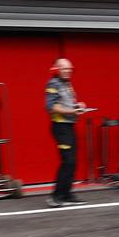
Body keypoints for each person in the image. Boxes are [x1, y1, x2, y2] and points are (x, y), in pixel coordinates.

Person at [45, 58, 87, 207]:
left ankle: (67, 194)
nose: (68, 72)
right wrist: (72, 111)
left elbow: (69, 104)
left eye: (70, 69)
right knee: (68, 161)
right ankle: (56, 196)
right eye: (65, 69)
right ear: (56, 69)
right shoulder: (53, 84)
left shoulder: (67, 84)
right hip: (60, 127)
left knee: (73, 162)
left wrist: (79, 105)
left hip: (69, 126)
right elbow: (51, 107)